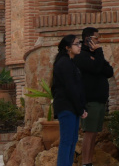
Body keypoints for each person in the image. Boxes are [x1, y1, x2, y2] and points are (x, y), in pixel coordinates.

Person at [74, 27, 113, 166]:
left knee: (94, 133)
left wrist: (97, 57)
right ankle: (86, 163)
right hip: (90, 101)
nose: (98, 41)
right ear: (88, 39)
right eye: (96, 38)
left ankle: (89, 162)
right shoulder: (81, 55)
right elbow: (96, 68)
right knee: (89, 133)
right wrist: (99, 53)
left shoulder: (95, 54)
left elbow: (109, 71)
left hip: (99, 100)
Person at [51, 34, 87, 166]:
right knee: (67, 141)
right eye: (76, 44)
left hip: (72, 107)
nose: (79, 46)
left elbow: (77, 88)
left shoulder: (70, 62)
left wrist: (81, 107)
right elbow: (70, 88)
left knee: (72, 140)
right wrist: (80, 109)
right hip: (66, 107)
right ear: (67, 48)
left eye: (79, 43)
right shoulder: (64, 63)